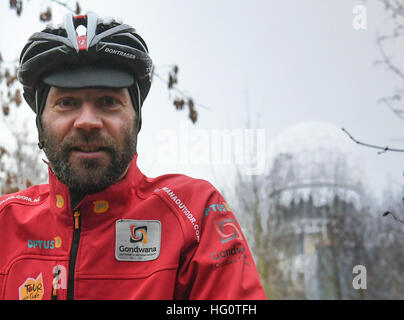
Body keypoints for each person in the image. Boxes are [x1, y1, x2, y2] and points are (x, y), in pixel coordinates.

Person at [0, 12, 266, 300]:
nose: (87, 121)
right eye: (66, 102)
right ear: (40, 122)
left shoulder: (195, 215)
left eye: (108, 101)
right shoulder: (5, 223)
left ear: (137, 119)